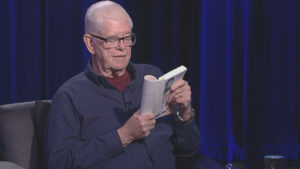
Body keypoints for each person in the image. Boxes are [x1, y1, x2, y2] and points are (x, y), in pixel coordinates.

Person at [43, 1, 201, 169]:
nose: (122, 47)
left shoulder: (152, 76)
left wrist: (185, 114)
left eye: (126, 38)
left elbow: (188, 151)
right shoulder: (69, 96)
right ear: (90, 43)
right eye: (112, 39)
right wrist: (123, 135)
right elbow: (60, 163)